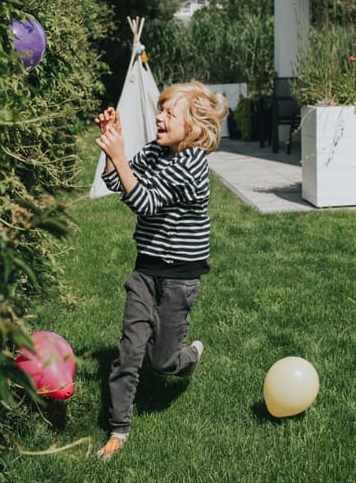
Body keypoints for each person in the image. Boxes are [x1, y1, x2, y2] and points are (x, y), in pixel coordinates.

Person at [93, 81, 229, 460]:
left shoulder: (191, 164)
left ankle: (188, 358)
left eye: (170, 112)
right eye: (160, 110)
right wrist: (111, 143)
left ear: (195, 124)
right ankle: (118, 429)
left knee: (162, 361)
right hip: (145, 272)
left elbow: (146, 202)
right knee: (128, 352)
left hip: (179, 281)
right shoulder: (155, 152)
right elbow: (114, 181)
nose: (159, 117)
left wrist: (120, 156)